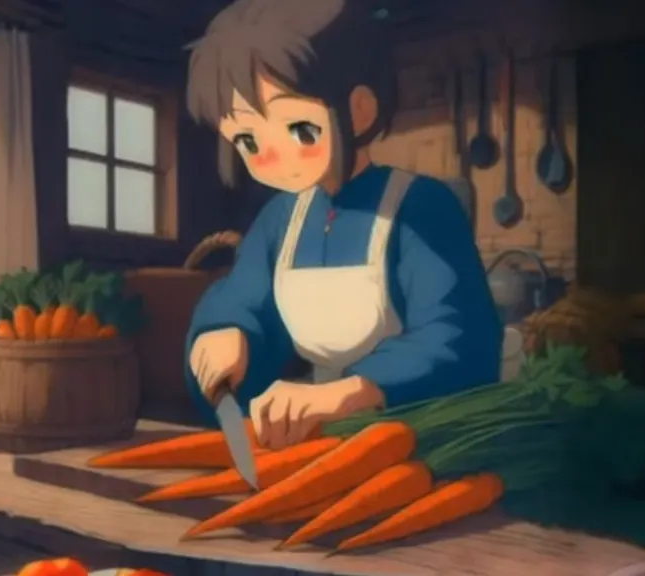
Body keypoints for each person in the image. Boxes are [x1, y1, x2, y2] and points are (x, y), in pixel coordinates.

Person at [183, 0, 508, 450]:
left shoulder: (421, 208)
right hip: (319, 440)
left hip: (415, 435)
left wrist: (355, 392)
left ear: (358, 111)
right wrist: (227, 334)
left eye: (299, 129)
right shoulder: (280, 219)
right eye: (247, 140)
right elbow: (245, 298)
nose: (271, 157)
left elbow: (456, 337)